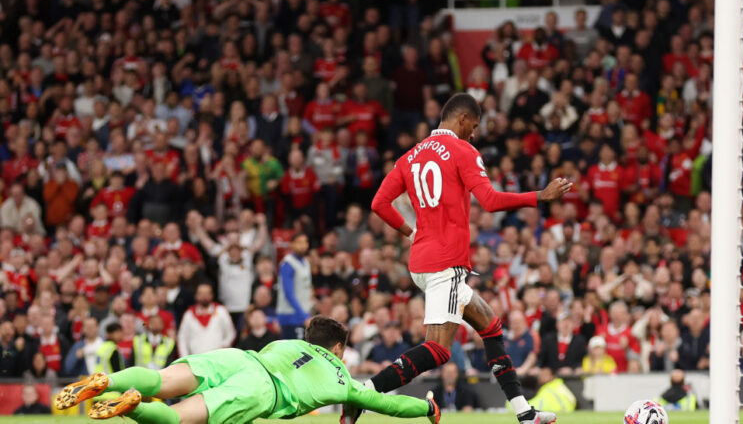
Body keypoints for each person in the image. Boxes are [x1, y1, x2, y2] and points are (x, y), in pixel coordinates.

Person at [366, 93, 571, 424]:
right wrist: (539, 196)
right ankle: (363, 393)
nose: (474, 134)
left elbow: (379, 203)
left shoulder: (409, 157)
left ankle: (524, 412)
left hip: (423, 260)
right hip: (444, 263)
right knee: (439, 350)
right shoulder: (463, 150)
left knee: (490, 326)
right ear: (461, 119)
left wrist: (410, 232)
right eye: (473, 126)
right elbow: (489, 200)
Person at [55, 316, 441, 424]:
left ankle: (108, 381)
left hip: (241, 357)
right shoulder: (343, 380)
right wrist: (427, 408)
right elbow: (390, 406)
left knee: (161, 379)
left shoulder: (289, 342)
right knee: (176, 418)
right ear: (338, 349)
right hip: (261, 390)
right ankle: (134, 406)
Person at [276, 233, 313, 340]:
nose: (303, 245)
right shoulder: (288, 264)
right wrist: (304, 316)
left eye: (305, 242)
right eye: (299, 242)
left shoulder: (306, 262)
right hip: (290, 317)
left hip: (303, 314)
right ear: (292, 245)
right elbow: (288, 294)